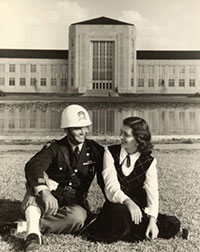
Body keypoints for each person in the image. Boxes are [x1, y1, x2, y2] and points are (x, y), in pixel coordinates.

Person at [1, 104, 104, 251]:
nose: (83, 132)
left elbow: (107, 175)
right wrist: (44, 192)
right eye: (77, 128)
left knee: (78, 217)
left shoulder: (94, 150)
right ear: (66, 129)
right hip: (48, 199)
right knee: (36, 182)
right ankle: (33, 235)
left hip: (74, 204)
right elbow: (33, 165)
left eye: (86, 127)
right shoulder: (55, 148)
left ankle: (26, 225)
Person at [86, 116, 185, 243]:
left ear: (138, 139)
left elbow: (152, 193)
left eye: (125, 134)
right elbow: (111, 187)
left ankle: (144, 228)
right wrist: (128, 203)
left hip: (138, 207)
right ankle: (149, 230)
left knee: (172, 223)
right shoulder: (110, 152)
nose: (120, 136)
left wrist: (152, 220)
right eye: (121, 132)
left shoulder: (149, 161)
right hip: (116, 205)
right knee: (118, 217)